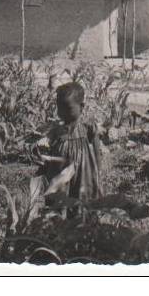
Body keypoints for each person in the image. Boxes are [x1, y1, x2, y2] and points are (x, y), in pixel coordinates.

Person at [31, 82, 103, 214]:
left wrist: (97, 175)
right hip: (59, 173)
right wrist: (40, 147)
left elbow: (97, 155)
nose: (62, 113)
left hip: (83, 175)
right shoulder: (55, 129)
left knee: (82, 204)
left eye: (67, 108)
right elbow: (45, 144)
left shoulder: (88, 129)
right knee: (59, 203)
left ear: (82, 107)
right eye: (59, 108)